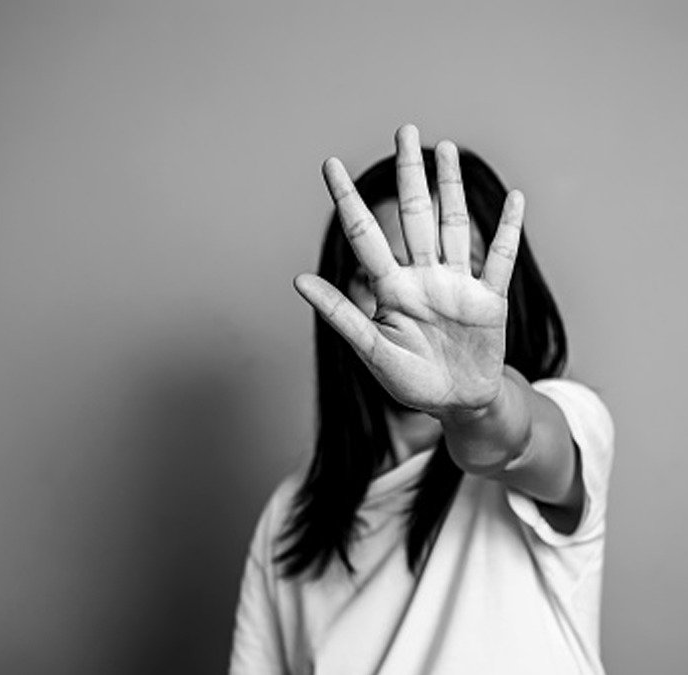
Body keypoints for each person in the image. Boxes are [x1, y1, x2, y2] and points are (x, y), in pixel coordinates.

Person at [229, 125, 615, 674]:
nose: (422, 307)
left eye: (464, 274)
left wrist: (474, 406)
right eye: (380, 277)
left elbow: (518, 441)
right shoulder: (290, 515)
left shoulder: (569, 416)